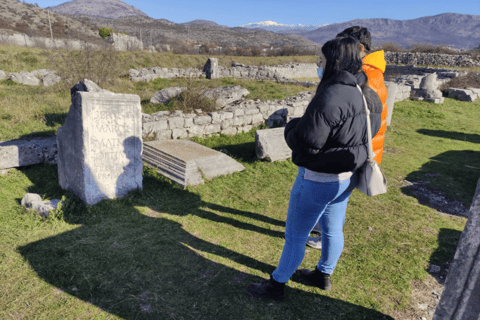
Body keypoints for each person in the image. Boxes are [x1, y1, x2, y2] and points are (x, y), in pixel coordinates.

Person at [246, 36, 383, 300]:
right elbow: (367, 132)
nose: (317, 65)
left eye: (320, 60)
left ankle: (276, 285)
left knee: (296, 235)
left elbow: (306, 144)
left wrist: (291, 127)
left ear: (334, 62)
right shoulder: (369, 95)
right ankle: (323, 274)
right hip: (347, 176)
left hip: (318, 178)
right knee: (333, 229)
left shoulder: (331, 95)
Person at [307, 26, 389, 250]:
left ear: (359, 48)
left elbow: (352, 117)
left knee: (337, 200)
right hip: (358, 147)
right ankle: (322, 230)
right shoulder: (369, 72)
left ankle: (325, 238)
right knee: (336, 198)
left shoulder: (366, 76)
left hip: (354, 152)